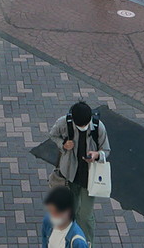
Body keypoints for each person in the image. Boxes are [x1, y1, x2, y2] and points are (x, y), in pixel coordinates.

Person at [47, 102, 110, 245]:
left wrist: (96, 155)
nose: (83, 127)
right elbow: (53, 135)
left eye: (85, 125)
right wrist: (63, 144)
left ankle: (86, 243)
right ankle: (73, 239)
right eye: (80, 125)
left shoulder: (98, 127)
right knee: (72, 211)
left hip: (90, 177)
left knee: (85, 214)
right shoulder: (64, 123)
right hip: (70, 175)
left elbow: (106, 150)